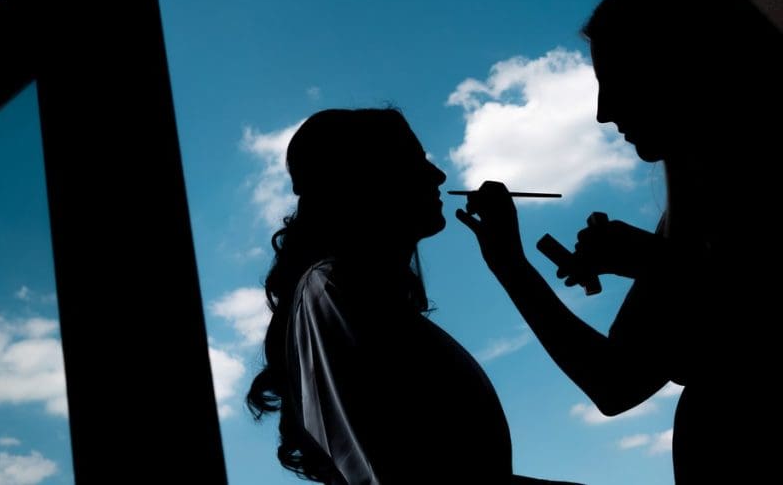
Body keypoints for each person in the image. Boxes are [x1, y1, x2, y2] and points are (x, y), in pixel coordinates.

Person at [456, 0, 783, 483]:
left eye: (619, 80)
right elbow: (614, 383)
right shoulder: (687, 225)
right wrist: (510, 265)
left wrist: (659, 264)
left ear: (687, 67)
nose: (604, 111)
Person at [246, 107, 583, 484]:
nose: (438, 175)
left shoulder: (346, 298)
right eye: (414, 160)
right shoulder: (333, 289)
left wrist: (508, 261)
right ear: (363, 178)